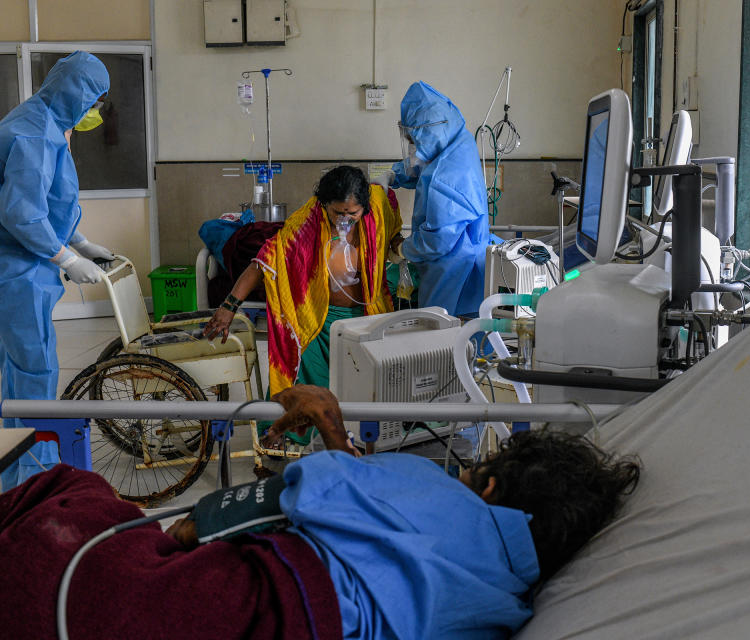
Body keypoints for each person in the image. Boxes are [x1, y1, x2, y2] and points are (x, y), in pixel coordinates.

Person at [0, 384, 641, 639]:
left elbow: (312, 486)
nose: (461, 477)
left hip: (265, 598)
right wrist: (336, 435)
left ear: (493, 488)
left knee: (74, 494)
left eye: (472, 472)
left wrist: (325, 438)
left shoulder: (448, 494)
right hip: (314, 620)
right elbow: (373, 520)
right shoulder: (506, 605)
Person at [203, 166, 403, 418]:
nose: (344, 219)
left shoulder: (378, 209)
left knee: (372, 387)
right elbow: (264, 262)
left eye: (352, 213)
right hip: (318, 321)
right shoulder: (307, 223)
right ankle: (290, 434)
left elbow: (393, 227)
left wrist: (400, 246)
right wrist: (228, 307)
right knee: (303, 383)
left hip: (368, 317)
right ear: (324, 205)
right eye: (337, 213)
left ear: (364, 207)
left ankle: (363, 436)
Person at [0, 51, 112, 489]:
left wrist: (79, 240)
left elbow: (53, 200)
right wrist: (65, 257)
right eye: (94, 100)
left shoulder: (47, 124)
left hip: (25, 262)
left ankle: (16, 459)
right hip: (17, 267)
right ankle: (33, 472)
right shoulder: (32, 135)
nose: (96, 111)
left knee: (18, 366)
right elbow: (23, 214)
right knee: (34, 366)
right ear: (74, 94)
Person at [383, 81, 492, 316]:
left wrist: (403, 249)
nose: (412, 147)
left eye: (413, 141)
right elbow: (423, 165)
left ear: (429, 132)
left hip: (454, 273)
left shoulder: (447, 176)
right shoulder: (457, 142)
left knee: (446, 338)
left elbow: (437, 242)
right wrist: (393, 175)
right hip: (461, 260)